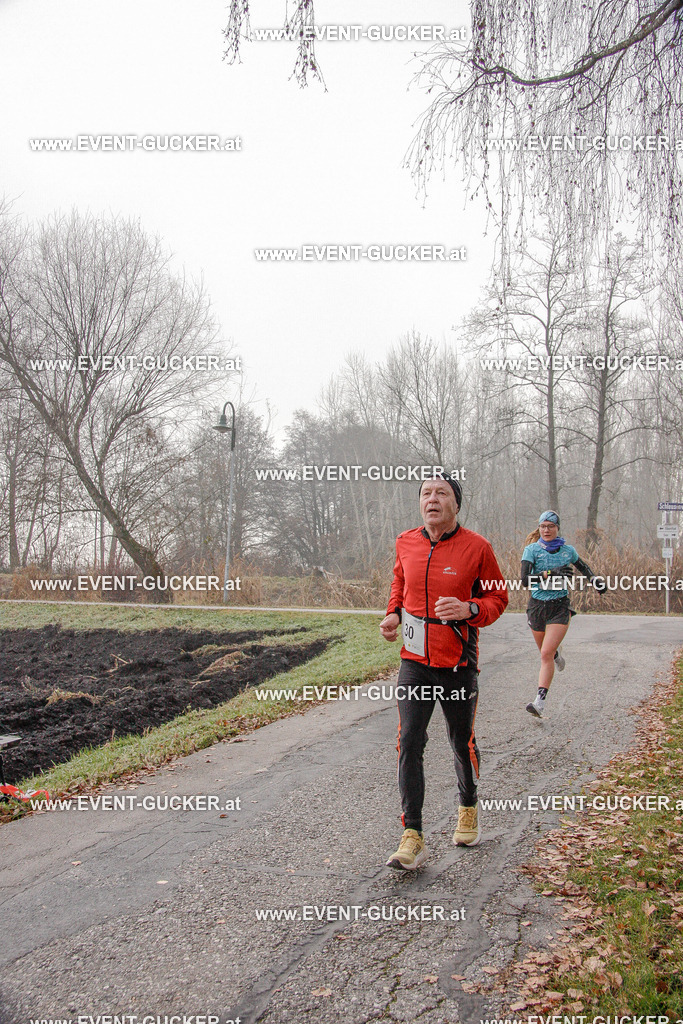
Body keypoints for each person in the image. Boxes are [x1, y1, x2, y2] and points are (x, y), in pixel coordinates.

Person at [379, 472, 508, 869]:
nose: (432, 499)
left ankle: (468, 806)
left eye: (442, 493)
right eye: (426, 493)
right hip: (414, 661)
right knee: (410, 742)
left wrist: (471, 609)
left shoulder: (478, 547)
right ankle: (412, 834)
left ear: (456, 504)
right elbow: (400, 583)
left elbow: (498, 598)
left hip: (458, 664)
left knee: (460, 740)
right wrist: (392, 615)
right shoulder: (405, 542)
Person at [521, 510, 605, 718]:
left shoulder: (567, 551)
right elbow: (525, 580)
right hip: (537, 607)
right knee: (547, 652)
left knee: (545, 654)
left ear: (558, 528)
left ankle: (539, 701)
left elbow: (584, 567)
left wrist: (596, 581)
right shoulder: (531, 550)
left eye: (550, 526)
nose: (546, 530)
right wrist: (551, 573)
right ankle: (557, 655)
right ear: (539, 528)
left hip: (560, 606)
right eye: (543, 526)